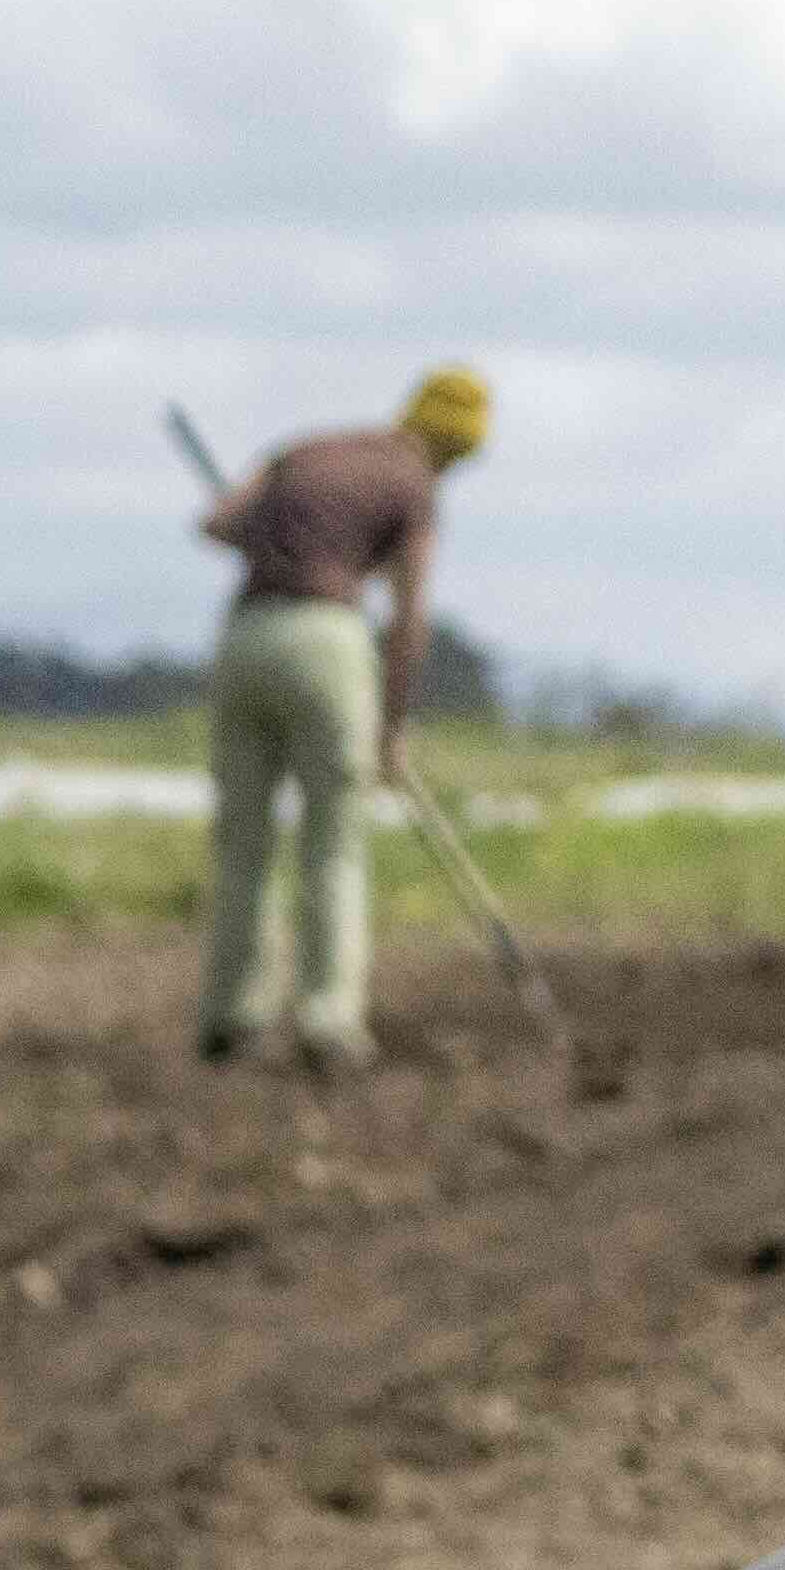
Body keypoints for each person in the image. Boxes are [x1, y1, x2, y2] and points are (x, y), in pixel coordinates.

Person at [196, 363, 488, 1075]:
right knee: (334, 841)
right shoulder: (413, 488)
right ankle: (328, 1023)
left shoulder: (306, 451)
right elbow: (409, 618)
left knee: (243, 841)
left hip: (247, 636)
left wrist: (283, 540)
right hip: (328, 640)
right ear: (453, 450)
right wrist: (393, 724)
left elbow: (219, 523)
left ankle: (232, 1018)